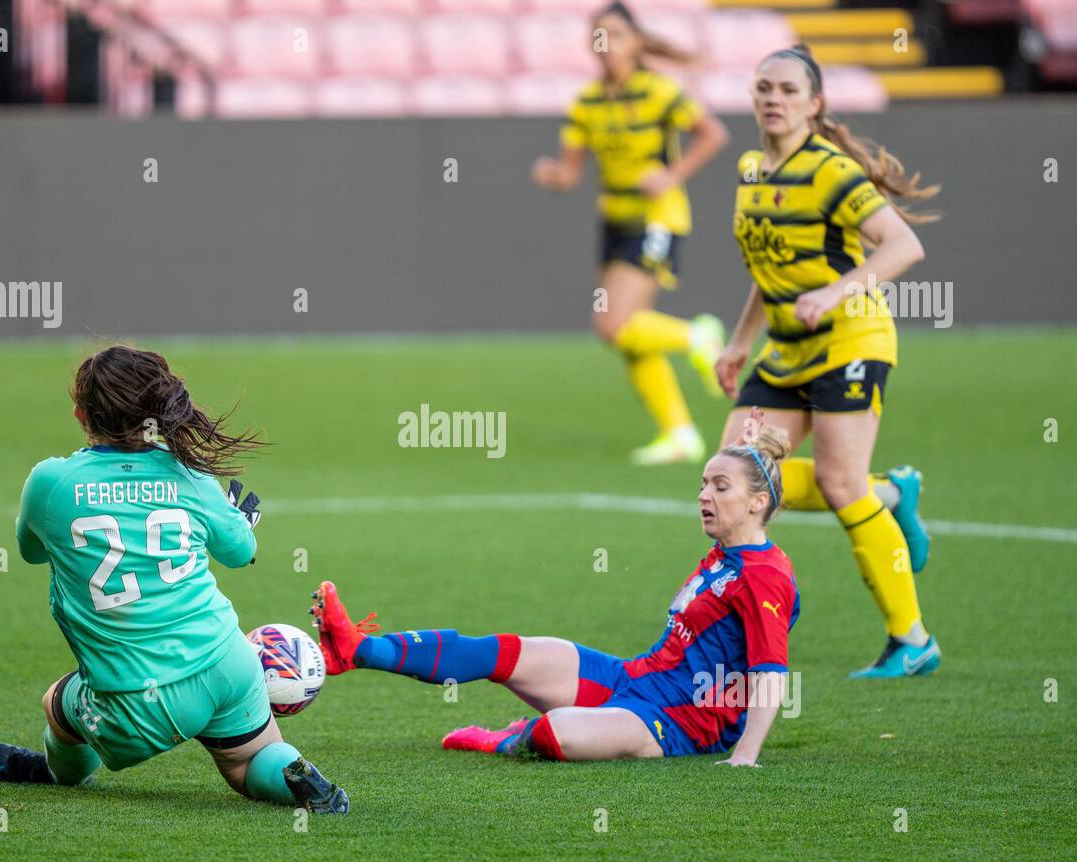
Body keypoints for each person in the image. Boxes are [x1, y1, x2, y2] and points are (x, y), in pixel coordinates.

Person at [0, 345, 347, 812]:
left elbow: (31, 552)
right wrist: (239, 521)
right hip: (228, 661)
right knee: (249, 761)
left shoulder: (51, 482)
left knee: (58, 702)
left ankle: (58, 773)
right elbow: (241, 553)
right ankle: (296, 775)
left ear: (80, 414)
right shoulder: (192, 475)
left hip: (137, 699)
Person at [312, 418, 798, 765]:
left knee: (554, 734)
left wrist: (745, 757)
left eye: (720, 487)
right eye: (703, 484)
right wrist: (748, 450)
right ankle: (357, 648)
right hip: (634, 678)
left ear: (758, 502)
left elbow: (770, 674)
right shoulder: (729, 551)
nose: (703, 496)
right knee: (503, 652)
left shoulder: (765, 575)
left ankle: (506, 739)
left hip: (679, 724)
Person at [714, 44, 942, 679]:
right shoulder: (751, 167)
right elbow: (770, 265)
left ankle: (912, 639)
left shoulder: (832, 171)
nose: (773, 98)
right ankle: (893, 493)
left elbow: (904, 246)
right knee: (737, 480)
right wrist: (739, 341)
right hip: (785, 347)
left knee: (841, 484)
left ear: (814, 104)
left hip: (850, 339)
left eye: (788, 89)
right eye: (764, 87)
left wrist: (838, 291)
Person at [532, 1, 731, 465]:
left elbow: (712, 134)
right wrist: (553, 176)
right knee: (625, 334)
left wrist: (671, 175)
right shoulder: (586, 102)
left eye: (616, 35)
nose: (606, 45)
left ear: (636, 41)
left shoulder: (659, 91)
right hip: (615, 218)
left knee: (612, 323)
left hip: (658, 216)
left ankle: (698, 337)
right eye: (598, 36)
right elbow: (571, 171)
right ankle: (680, 433)